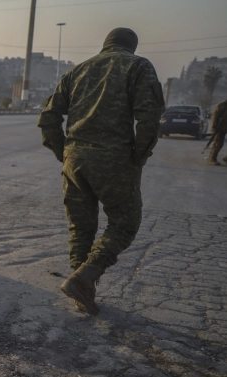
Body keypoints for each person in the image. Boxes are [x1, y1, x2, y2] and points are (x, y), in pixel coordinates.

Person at [38, 28, 165, 315]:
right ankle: (84, 278)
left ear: (106, 44)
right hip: (114, 159)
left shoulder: (78, 71)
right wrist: (138, 157)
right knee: (125, 223)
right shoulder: (138, 66)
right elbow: (149, 117)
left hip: (75, 159)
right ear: (132, 46)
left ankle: (81, 290)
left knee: (81, 227)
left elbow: (48, 117)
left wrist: (64, 153)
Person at [208, 98, 227, 166]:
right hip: (220, 127)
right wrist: (213, 126)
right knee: (218, 144)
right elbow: (215, 116)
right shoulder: (221, 105)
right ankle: (212, 159)